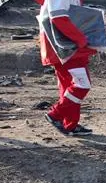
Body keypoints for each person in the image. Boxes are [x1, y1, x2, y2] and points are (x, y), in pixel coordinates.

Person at [37, 0, 97, 135]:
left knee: (68, 85)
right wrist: (80, 39)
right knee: (82, 84)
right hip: (65, 47)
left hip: (63, 46)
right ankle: (55, 115)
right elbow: (58, 18)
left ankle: (69, 124)